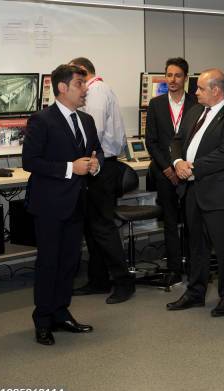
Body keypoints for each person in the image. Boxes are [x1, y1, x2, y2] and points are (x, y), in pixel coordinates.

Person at [23, 64, 103, 345]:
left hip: (77, 203)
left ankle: (61, 312)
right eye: (80, 84)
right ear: (62, 88)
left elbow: (97, 153)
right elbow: (30, 161)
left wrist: (95, 165)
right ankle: (42, 320)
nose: (85, 89)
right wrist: (71, 168)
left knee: (69, 263)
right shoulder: (41, 120)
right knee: (49, 263)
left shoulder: (87, 120)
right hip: (49, 205)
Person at [166, 69, 224, 317]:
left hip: (218, 192)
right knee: (196, 246)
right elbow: (177, 139)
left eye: (200, 88)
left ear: (216, 90)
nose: (195, 92)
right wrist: (178, 161)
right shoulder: (194, 111)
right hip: (192, 190)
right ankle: (195, 292)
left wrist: (192, 169)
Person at [68, 57, 133, 304]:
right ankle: (99, 280)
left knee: (103, 228)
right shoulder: (101, 89)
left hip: (100, 166)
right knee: (93, 228)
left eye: (74, 77)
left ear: (84, 73)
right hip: (100, 164)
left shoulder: (95, 91)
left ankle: (123, 282)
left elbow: (91, 134)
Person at [145, 57, 197, 283]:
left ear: (185, 78)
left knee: (191, 220)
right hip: (165, 172)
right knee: (170, 221)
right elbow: (151, 141)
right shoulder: (156, 104)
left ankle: (194, 265)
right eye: (169, 75)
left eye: (177, 75)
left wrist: (183, 167)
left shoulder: (196, 103)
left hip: (190, 171)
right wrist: (168, 168)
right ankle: (175, 268)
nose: (172, 79)